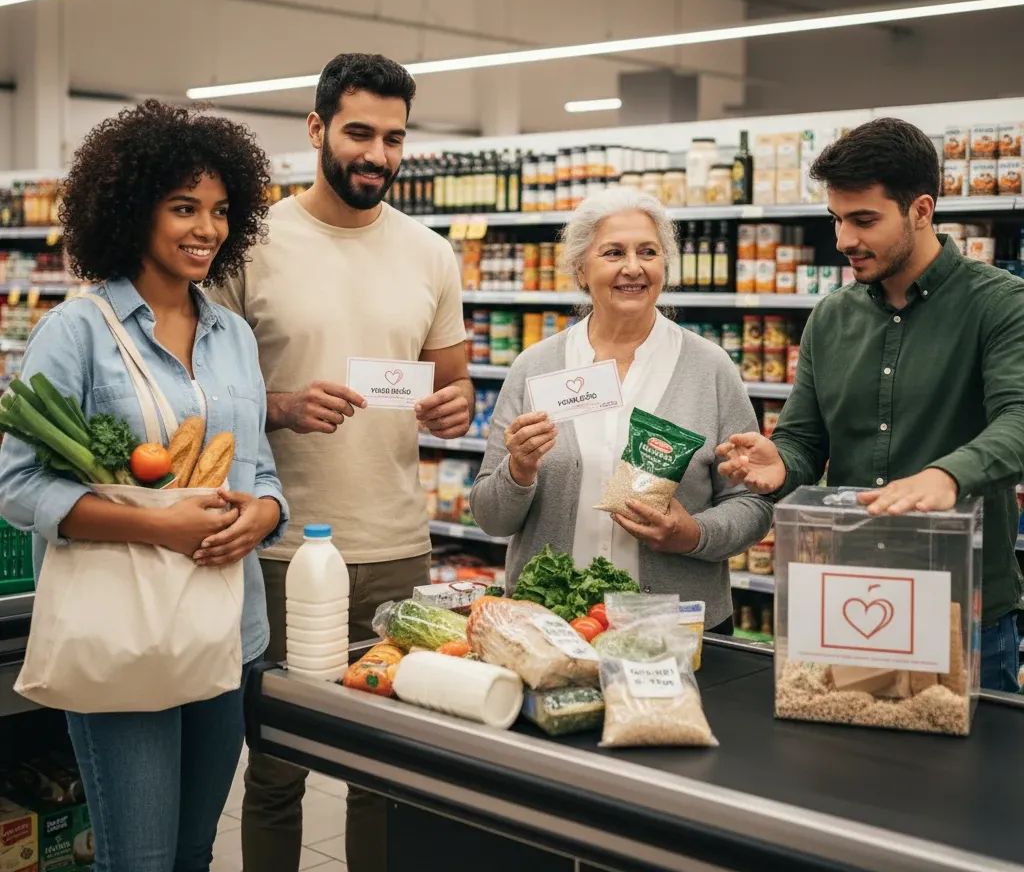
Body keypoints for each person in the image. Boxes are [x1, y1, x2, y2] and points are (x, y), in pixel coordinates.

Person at [0, 99, 288, 871]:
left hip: (228, 627)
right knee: (139, 859)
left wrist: (261, 514)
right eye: (183, 207)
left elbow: (259, 469)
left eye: (222, 211)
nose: (207, 229)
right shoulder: (79, 331)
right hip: (122, 633)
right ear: (133, 210)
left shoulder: (233, 336)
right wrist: (160, 525)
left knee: (193, 852)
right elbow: (17, 483)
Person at [208, 52, 472, 872]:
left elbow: (453, 380)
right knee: (279, 768)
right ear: (317, 128)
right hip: (280, 547)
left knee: (385, 772)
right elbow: (200, 391)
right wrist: (280, 406)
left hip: (398, 545)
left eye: (394, 138)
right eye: (359, 132)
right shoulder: (250, 244)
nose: (377, 155)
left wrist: (456, 407)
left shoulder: (431, 253)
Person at [716, 117, 1024, 692]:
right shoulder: (831, 317)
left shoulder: (1000, 305)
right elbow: (806, 441)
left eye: (863, 220)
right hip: (848, 597)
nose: (843, 240)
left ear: (922, 211)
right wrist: (782, 462)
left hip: (965, 605)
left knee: (974, 781)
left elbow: (1019, 418)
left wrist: (949, 475)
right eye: (836, 219)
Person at [469, 188, 773, 630]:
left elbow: (752, 501)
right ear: (580, 269)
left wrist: (693, 535)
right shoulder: (535, 367)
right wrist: (518, 471)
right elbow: (490, 517)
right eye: (613, 252)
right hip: (552, 625)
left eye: (648, 252)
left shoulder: (710, 368)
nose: (633, 267)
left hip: (676, 628)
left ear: (664, 266)